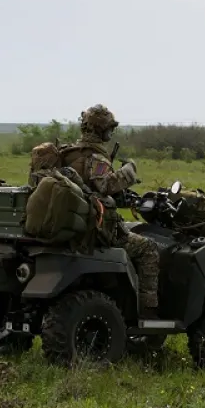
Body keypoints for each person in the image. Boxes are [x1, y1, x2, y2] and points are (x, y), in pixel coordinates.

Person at [59, 104, 161, 317]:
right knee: (148, 248)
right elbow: (105, 186)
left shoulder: (66, 153)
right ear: (101, 130)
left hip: (68, 225)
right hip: (93, 230)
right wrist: (129, 170)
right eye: (109, 129)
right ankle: (147, 314)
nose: (110, 133)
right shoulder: (96, 158)